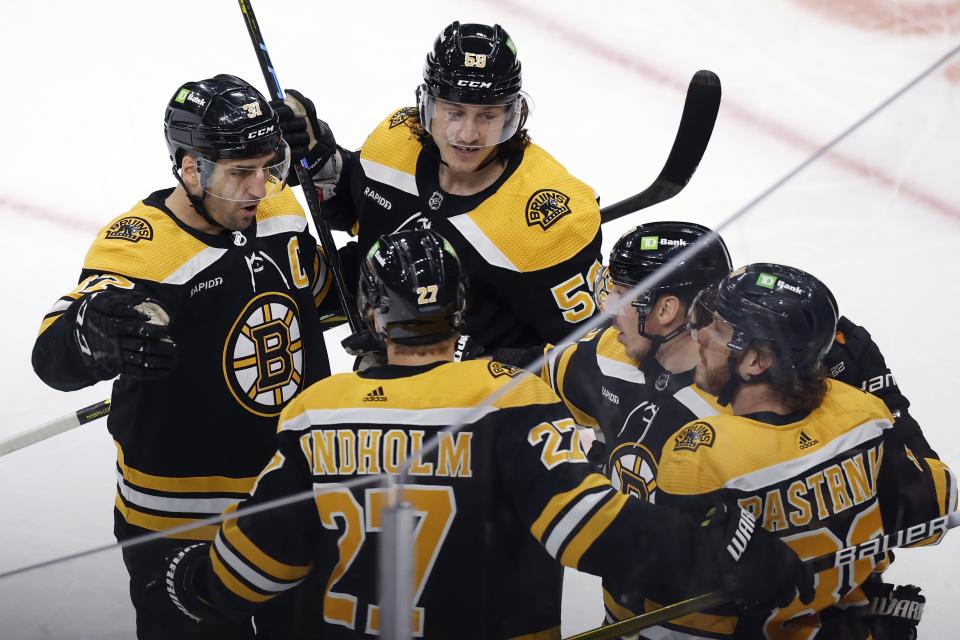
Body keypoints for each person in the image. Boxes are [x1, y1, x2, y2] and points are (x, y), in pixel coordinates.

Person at [159, 229, 812, 639]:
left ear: (371, 317)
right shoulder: (508, 398)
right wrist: (723, 558)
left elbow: (257, 563)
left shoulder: (315, 411)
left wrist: (200, 586)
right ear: (458, 310)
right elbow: (590, 529)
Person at [31, 74, 342, 639]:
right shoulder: (140, 247)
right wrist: (90, 334)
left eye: (269, 166)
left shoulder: (279, 210)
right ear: (190, 168)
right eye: (239, 173)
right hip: (179, 522)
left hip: (290, 496)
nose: (258, 189)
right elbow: (52, 354)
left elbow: (323, 296)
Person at [273, 21, 604, 354]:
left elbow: (587, 357)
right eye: (454, 112)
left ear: (512, 116)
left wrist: (462, 357)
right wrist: (322, 164)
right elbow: (364, 213)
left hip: (484, 401)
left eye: (487, 116)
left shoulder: (548, 221)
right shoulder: (395, 142)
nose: (467, 135)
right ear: (428, 106)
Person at [650, 263, 932, 639]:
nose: (699, 336)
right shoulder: (862, 412)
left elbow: (676, 611)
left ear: (755, 361)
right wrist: (894, 408)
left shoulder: (699, 452)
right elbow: (930, 513)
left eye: (717, 328)